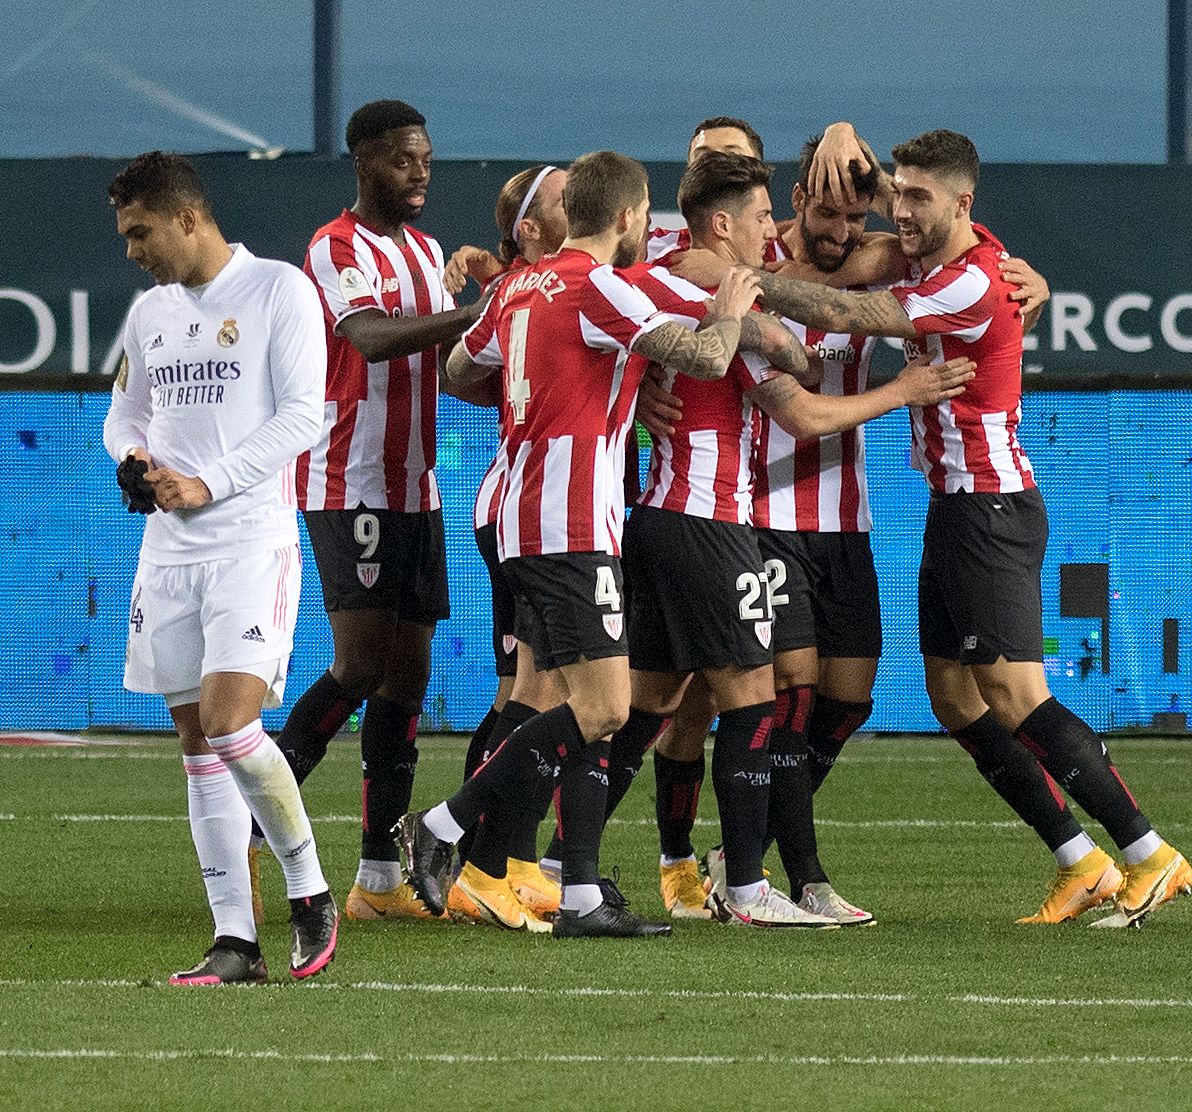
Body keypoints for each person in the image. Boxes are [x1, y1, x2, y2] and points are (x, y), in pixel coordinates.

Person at [684, 130, 1192, 927]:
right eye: (893, 197)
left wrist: (745, 287)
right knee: (954, 699)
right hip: (915, 510)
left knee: (1013, 696)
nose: (891, 215)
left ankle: (1146, 851)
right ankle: (1079, 859)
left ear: (961, 204)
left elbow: (854, 309)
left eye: (909, 201)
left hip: (984, 508)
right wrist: (848, 138)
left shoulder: (956, 280)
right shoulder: (937, 255)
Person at [394, 150, 814, 937]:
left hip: (517, 513)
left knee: (548, 696)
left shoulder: (517, 285)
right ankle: (446, 828)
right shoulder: (599, 288)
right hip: (572, 522)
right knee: (604, 708)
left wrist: (550, 388)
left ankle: (574, 890)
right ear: (627, 218)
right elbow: (709, 358)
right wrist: (726, 306)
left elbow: (456, 369)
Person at [601, 151, 975, 928]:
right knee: (763, 701)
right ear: (783, 209)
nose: (841, 230)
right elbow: (785, 387)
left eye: (856, 216)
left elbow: (944, 230)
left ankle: (547, 859)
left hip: (833, 521)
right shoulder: (725, 277)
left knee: (825, 701)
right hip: (752, 521)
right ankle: (776, 878)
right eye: (816, 213)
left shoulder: (868, 266)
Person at [104, 151, 338, 984]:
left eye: (140, 232)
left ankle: (310, 890)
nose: (132, 250)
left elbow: (304, 415)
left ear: (187, 219)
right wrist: (135, 460)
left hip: (248, 541)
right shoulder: (149, 315)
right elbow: (123, 414)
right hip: (168, 554)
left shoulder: (279, 290)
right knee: (197, 743)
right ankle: (234, 941)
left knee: (233, 724)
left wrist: (210, 481)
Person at [275, 99, 484, 921]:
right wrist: (476, 310)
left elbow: (452, 349)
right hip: (349, 479)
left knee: (408, 676)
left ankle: (377, 878)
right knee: (358, 665)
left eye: (427, 157)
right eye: (404, 159)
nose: (421, 171)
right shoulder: (335, 247)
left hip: (415, 489)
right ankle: (246, 823)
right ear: (365, 164)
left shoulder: (429, 252)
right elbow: (368, 337)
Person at [436, 165, 573, 927]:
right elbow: (461, 372)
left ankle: (507, 860)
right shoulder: (542, 289)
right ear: (527, 227)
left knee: (530, 690)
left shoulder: (545, 286)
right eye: (560, 201)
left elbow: (463, 373)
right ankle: (478, 860)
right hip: (535, 513)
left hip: (551, 512)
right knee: (537, 690)